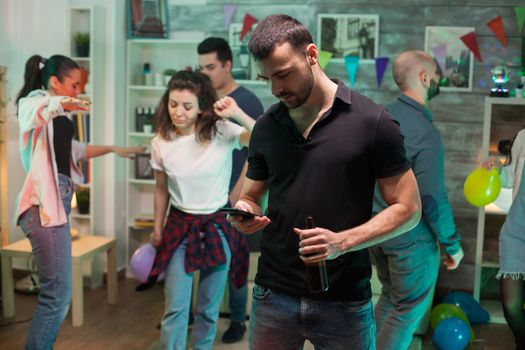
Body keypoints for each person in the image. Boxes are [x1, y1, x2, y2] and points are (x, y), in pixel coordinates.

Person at [227, 14, 422, 350]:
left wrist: (342, 242)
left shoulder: (372, 122)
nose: (276, 89)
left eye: (283, 74)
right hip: (272, 293)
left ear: (311, 55)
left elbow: (409, 209)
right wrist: (245, 211)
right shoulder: (266, 127)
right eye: (267, 78)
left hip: (345, 301)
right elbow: (252, 195)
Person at [14, 54, 144, 350]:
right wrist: (62, 103)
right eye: (73, 85)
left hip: (55, 204)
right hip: (42, 208)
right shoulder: (35, 103)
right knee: (57, 294)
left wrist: (113, 148)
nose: (77, 91)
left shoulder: (56, 115)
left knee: (58, 294)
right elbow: (31, 109)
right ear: (54, 82)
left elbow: (75, 150)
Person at [144, 71, 255, 350]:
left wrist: (237, 112)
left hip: (217, 226)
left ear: (202, 106)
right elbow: (160, 189)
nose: (178, 112)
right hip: (179, 228)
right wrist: (157, 228)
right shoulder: (160, 142)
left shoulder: (222, 131)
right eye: (172, 104)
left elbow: (263, 138)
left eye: (187, 106)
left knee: (208, 309)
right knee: (176, 308)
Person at [369, 50, 464, 350]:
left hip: (378, 232)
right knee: (406, 310)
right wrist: (452, 244)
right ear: (424, 77)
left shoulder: (378, 117)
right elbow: (432, 196)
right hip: (411, 237)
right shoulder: (424, 132)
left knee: (389, 298)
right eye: (435, 75)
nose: (438, 81)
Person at [197, 36, 264, 343]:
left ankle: (238, 321)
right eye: (201, 67)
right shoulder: (202, 98)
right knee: (205, 259)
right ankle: (195, 318)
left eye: (210, 66)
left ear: (227, 64)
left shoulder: (247, 101)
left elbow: (257, 153)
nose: (206, 73)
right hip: (205, 195)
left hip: (233, 197)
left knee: (236, 262)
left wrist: (238, 194)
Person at [484, 129, 525, 350]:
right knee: (511, 305)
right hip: (517, 231)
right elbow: (510, 176)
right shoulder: (523, 137)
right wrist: (497, 169)